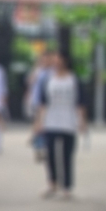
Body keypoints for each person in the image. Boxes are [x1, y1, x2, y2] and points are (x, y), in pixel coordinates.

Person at [34, 51, 86, 199]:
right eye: (54, 60)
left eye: (59, 60)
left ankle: (67, 186)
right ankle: (52, 183)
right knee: (50, 154)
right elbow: (43, 103)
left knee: (66, 155)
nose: (56, 63)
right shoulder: (48, 80)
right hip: (51, 121)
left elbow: (80, 102)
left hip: (69, 121)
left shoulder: (74, 80)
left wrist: (82, 120)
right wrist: (39, 122)